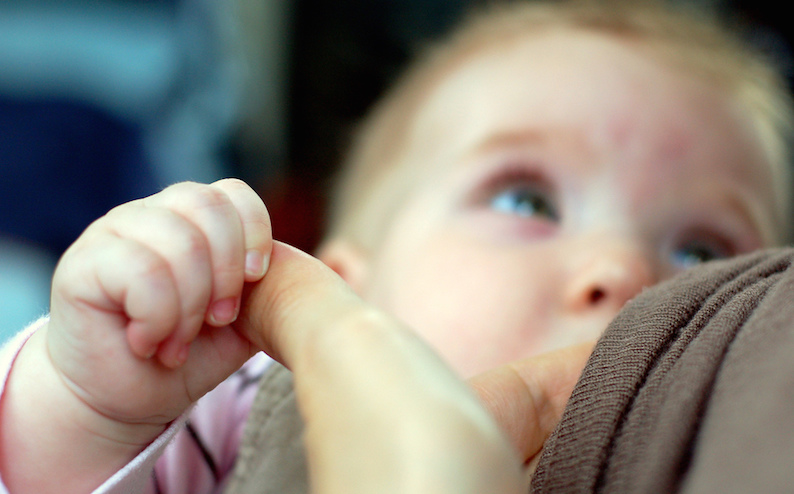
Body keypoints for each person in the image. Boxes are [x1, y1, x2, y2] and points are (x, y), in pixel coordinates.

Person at [1, 0, 792, 492]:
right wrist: (90, 411)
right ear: (347, 284)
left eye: (703, 252)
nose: (622, 271)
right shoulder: (247, 415)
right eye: (528, 199)